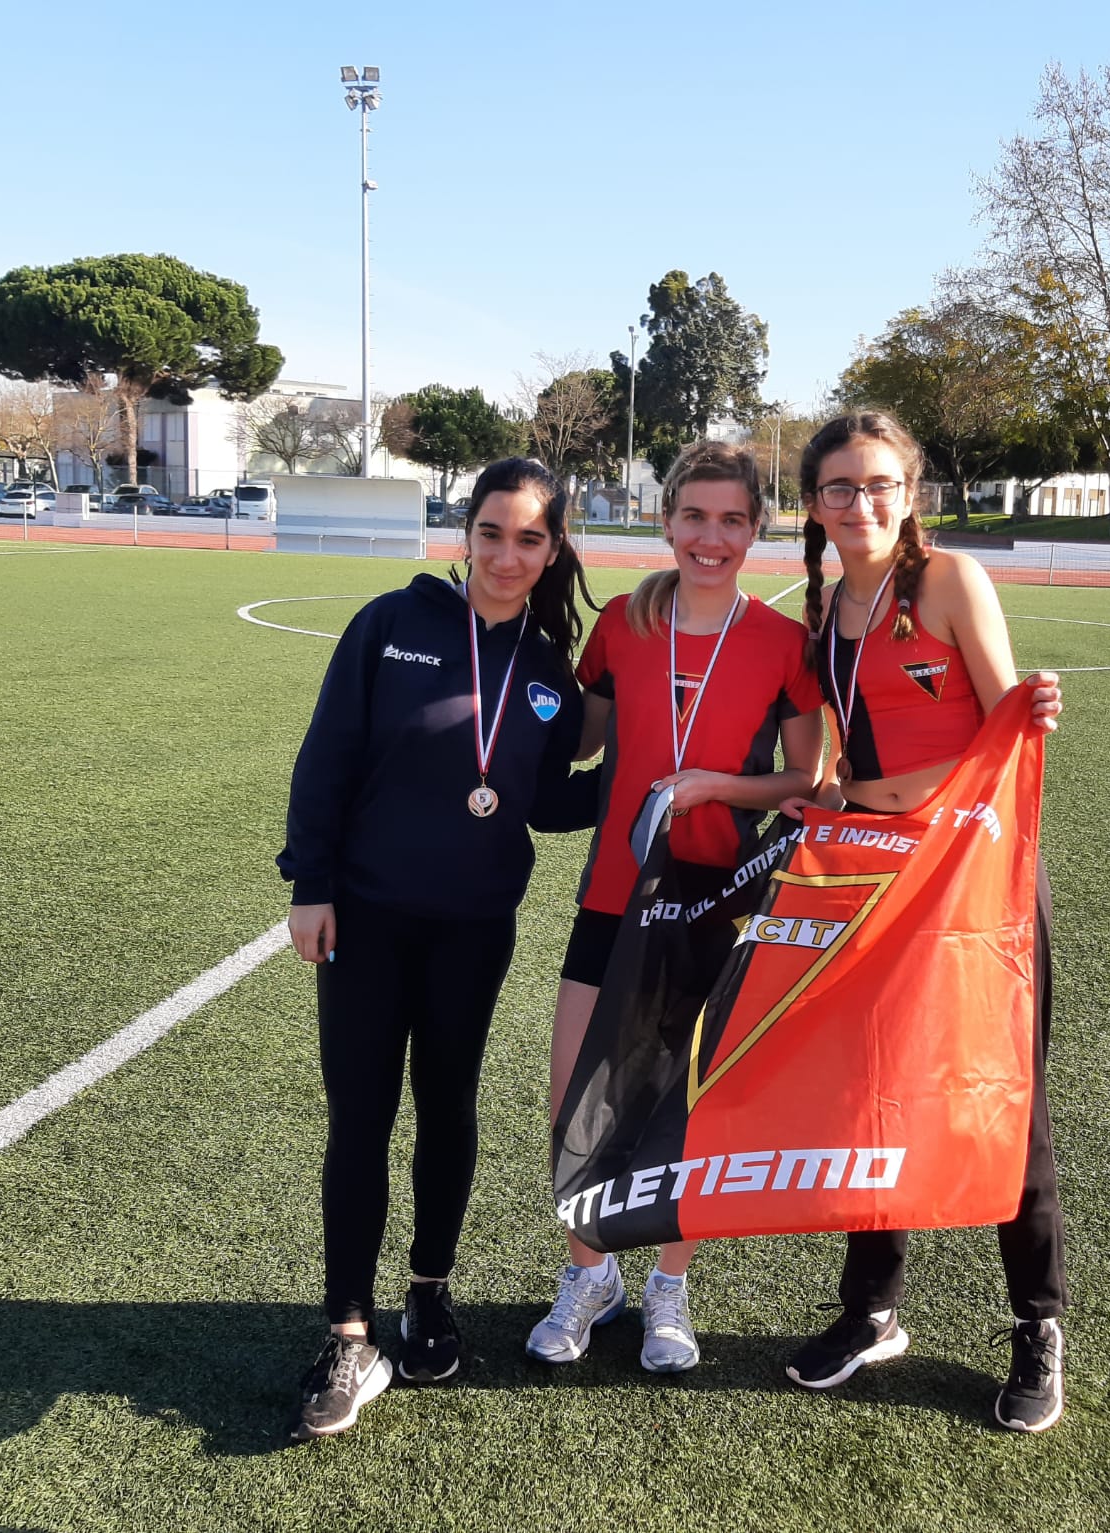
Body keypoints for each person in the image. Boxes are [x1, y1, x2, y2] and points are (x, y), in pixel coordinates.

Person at [277, 458, 598, 1440]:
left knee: (446, 1108)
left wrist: (639, 777)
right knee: (361, 1118)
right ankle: (346, 1329)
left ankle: (428, 1294)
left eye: (530, 540)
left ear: (552, 552)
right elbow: (327, 754)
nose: (508, 555)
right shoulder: (390, 625)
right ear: (465, 532)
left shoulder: (547, 670)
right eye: (493, 532)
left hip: (472, 928)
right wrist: (311, 884)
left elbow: (545, 804)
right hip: (364, 918)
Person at [780, 409, 1069, 1434]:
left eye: (879, 485)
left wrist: (1035, 706)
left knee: (1002, 1100)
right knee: (876, 1097)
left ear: (910, 495)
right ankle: (870, 1310)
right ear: (810, 504)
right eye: (837, 488)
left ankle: (1036, 1324)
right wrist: (762, 796)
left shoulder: (948, 582)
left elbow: (1005, 727)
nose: (859, 505)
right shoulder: (816, 616)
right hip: (877, 879)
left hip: (973, 884)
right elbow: (820, 773)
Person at [527, 440, 826, 1373]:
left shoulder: (783, 645)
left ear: (757, 529)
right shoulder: (621, 622)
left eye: (733, 518)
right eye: (694, 516)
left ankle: (668, 1285)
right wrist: (516, 665)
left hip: (716, 902)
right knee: (576, 1085)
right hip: (618, 895)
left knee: (685, 1101)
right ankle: (589, 1275)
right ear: (666, 522)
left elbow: (809, 774)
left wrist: (716, 788)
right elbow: (575, 739)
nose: (711, 536)